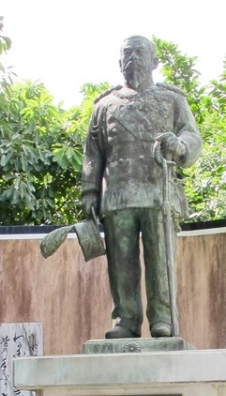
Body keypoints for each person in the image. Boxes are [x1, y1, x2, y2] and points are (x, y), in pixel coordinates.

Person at [81, 36, 202, 339]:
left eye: (140, 52)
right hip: (117, 195)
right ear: (119, 62)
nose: (133, 58)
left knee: (160, 259)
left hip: (158, 192)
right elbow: (93, 153)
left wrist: (179, 144)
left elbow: (192, 136)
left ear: (154, 61)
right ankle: (126, 319)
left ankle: (163, 317)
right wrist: (90, 192)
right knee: (121, 263)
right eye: (127, 53)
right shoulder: (104, 106)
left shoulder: (172, 100)